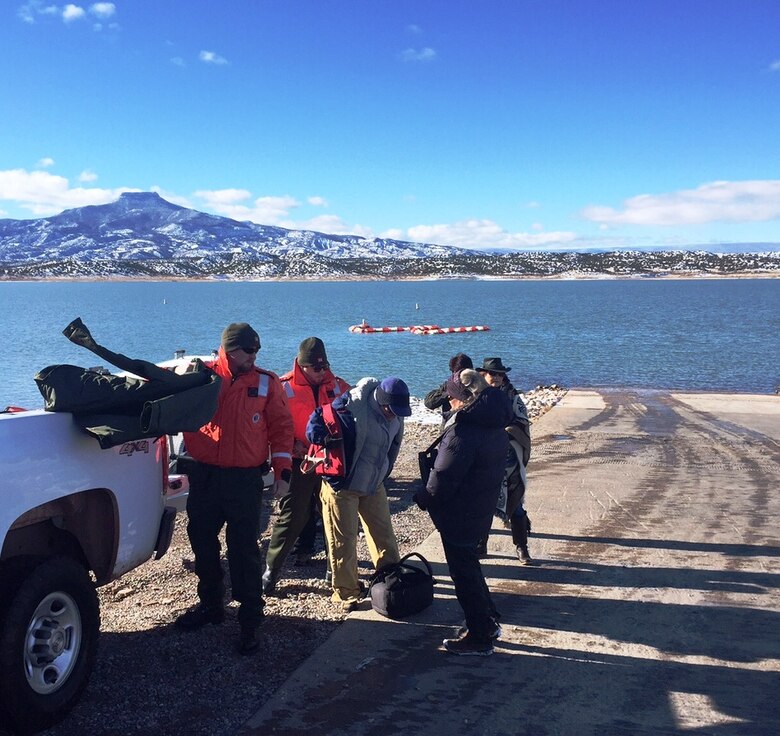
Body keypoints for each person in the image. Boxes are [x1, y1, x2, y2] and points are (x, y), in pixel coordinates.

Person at [175, 322, 294, 655]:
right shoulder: (202, 377)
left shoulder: (267, 383)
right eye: (248, 351)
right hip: (206, 476)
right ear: (228, 349)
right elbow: (169, 404)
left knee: (244, 550)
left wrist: (283, 472)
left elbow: (282, 430)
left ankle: (250, 621)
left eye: (257, 350)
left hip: (244, 481)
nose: (254, 357)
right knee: (202, 541)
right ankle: (212, 605)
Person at [414, 369, 513, 656]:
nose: (449, 402)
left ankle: (480, 636)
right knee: (471, 567)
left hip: (460, 512)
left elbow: (443, 476)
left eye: (452, 398)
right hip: (479, 508)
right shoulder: (494, 423)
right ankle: (487, 622)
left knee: (464, 574)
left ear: (462, 400)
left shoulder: (463, 429)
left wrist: (423, 497)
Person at [308, 377, 410, 611]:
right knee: (343, 541)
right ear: (381, 402)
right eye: (391, 411)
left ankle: (389, 580)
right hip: (343, 486)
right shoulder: (350, 406)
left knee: (384, 534)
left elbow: (392, 447)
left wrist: (383, 475)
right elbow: (317, 420)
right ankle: (346, 592)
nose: (394, 415)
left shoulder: (397, 415)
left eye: (399, 412)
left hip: (373, 484)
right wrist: (319, 438)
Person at [262, 337, 351, 595]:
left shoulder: (337, 386)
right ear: (302, 365)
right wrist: (292, 447)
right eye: (316, 368)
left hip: (330, 460)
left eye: (324, 367)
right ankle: (272, 569)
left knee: (333, 514)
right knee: (294, 514)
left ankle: (334, 569)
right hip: (300, 461)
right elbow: (270, 425)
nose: (321, 373)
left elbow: (351, 418)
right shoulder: (282, 387)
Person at [478, 356, 534, 563]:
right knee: (483, 505)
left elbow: (522, 422)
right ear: (483, 375)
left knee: (516, 505)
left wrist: (503, 432)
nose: (497, 377)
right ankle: (480, 544)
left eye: (501, 374)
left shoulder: (513, 397)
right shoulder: (476, 396)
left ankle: (522, 547)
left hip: (509, 460)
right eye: (493, 373)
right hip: (485, 460)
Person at [424, 353, 473, 427]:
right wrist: (448, 394)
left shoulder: (477, 386)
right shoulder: (448, 386)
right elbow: (429, 403)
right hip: (448, 427)